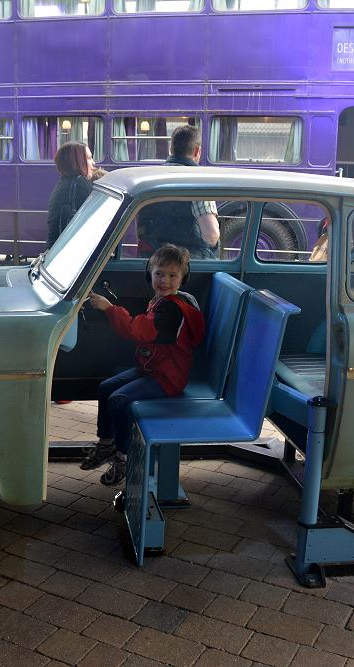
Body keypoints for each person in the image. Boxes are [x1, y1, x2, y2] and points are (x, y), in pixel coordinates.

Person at [81, 244, 205, 486]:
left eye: (172, 276)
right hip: (153, 368)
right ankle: (106, 443)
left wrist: (109, 308)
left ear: (182, 279)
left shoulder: (172, 309)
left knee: (118, 399)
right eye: (159, 274)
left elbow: (137, 330)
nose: (164, 281)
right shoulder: (160, 300)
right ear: (150, 274)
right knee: (106, 387)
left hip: (167, 378)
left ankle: (123, 457)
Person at [137, 125, 220, 258]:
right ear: (197, 151)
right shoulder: (198, 181)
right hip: (187, 265)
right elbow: (211, 235)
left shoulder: (150, 178)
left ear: (171, 149)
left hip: (151, 262)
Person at [46, 142, 95, 248]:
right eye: (89, 158)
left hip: (57, 249)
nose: (93, 163)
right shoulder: (80, 183)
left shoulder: (64, 183)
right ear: (77, 162)